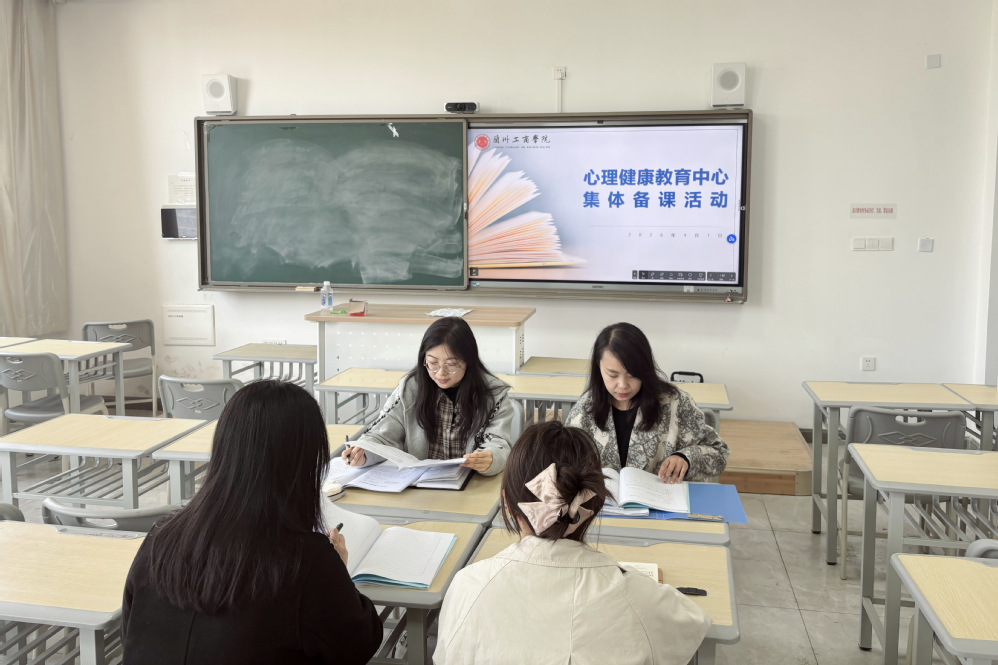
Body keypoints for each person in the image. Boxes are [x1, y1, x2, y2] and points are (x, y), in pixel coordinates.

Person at [121, 381, 382, 665]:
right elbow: (358, 646)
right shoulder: (307, 561)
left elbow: (130, 633)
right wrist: (339, 574)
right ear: (305, 463)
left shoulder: (161, 537)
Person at [433, 421, 711, 665]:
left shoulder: (468, 586)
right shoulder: (638, 597)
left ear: (506, 501)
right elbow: (694, 623)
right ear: (595, 504)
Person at [341, 316, 514, 475]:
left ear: (469, 361)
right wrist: (363, 455)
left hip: (470, 486)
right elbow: (381, 434)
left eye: (451, 365)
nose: (440, 373)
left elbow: (499, 444)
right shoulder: (410, 389)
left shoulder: (492, 395)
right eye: (432, 363)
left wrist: (490, 459)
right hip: (419, 485)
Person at [566, 322, 729, 482]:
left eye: (632, 375)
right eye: (613, 375)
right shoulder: (585, 409)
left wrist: (686, 458)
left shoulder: (675, 403)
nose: (622, 385)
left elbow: (719, 452)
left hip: (661, 497)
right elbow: (563, 462)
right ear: (598, 367)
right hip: (602, 499)